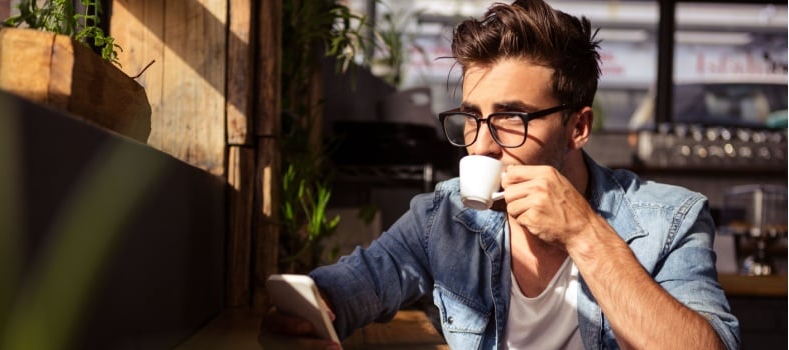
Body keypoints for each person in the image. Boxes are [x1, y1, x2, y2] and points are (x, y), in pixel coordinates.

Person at [260, 0, 739, 349]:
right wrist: (313, 311)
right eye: (472, 117)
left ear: (578, 126)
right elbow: (352, 289)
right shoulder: (442, 217)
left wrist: (583, 233)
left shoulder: (670, 218)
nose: (483, 143)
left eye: (512, 117)